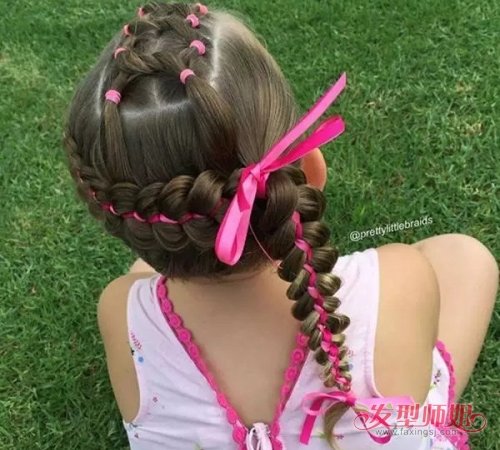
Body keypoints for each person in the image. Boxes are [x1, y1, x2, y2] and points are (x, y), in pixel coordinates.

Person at [62, 2, 498, 449]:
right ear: (309, 170)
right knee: (465, 257)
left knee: (139, 278)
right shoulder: (401, 278)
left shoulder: (119, 312)